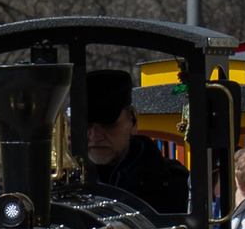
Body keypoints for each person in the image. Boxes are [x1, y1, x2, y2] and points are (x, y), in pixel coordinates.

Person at [82, 68, 194, 216]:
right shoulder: (62, 183)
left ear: (133, 121)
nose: (95, 135)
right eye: (87, 124)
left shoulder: (173, 186)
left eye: (108, 123)